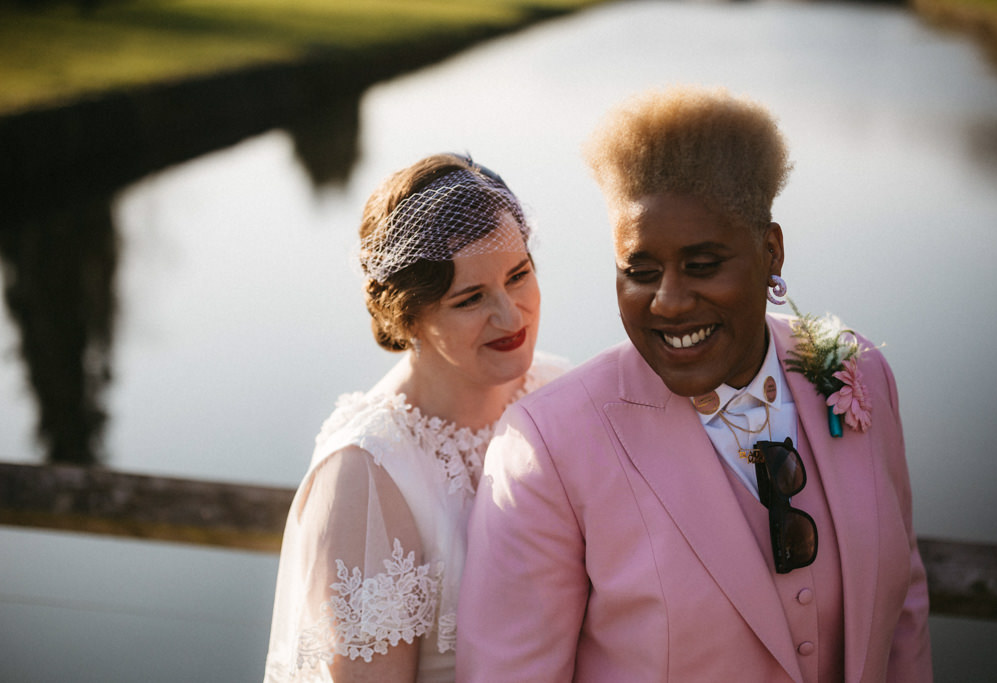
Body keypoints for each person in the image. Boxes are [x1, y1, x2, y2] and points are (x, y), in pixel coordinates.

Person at [456, 87, 933, 682]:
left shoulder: (857, 373)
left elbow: (903, 607)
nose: (670, 302)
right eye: (640, 271)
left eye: (703, 266)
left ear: (771, 252)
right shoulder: (548, 447)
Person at [264, 152, 565, 683]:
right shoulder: (366, 475)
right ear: (411, 317)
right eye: (470, 298)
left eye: (518, 275)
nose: (510, 315)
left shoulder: (559, 390)